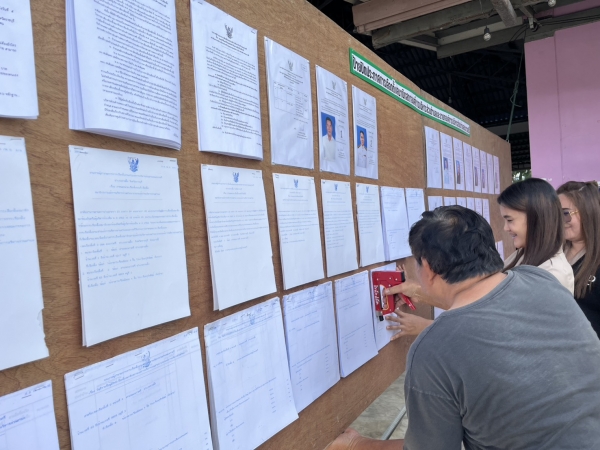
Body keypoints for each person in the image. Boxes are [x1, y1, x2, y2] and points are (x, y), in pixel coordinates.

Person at [327, 206, 600, 450]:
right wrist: (420, 292)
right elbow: (480, 302)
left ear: (428, 268)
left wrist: (354, 445)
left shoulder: (433, 349)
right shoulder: (539, 280)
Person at [499, 178, 574, 294]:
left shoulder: (553, 274)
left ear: (536, 219)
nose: (505, 228)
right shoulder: (523, 253)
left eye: (510, 220)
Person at [557, 181, 600, 338]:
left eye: (565, 213)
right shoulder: (554, 253)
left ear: (589, 213)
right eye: (555, 214)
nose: (559, 221)